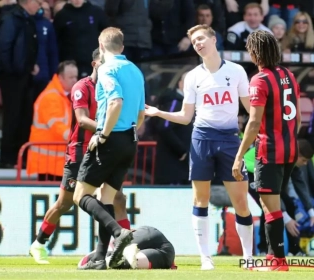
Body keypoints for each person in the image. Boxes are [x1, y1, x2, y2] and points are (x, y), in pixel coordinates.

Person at [144, 24, 253, 270]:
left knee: (241, 202)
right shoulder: (192, 76)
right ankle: (205, 258)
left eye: (201, 38)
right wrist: (159, 112)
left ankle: (248, 257)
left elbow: (250, 108)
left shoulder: (236, 72)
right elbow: (185, 116)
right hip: (201, 138)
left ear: (214, 39)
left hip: (229, 139)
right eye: (194, 42)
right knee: (200, 199)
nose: (198, 44)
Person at [29, 48, 131, 264]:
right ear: (96, 64)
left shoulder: (113, 88)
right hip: (80, 151)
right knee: (65, 203)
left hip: (104, 148)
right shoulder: (82, 87)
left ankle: (126, 249)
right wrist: (107, 131)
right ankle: (38, 243)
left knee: (117, 198)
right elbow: (82, 120)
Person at [73, 27, 145, 270]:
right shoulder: (135, 70)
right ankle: (99, 259)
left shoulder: (106, 68)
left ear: (101, 47)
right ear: (122, 47)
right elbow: (141, 113)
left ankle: (118, 232)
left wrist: (102, 134)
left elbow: (115, 102)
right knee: (105, 198)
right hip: (130, 140)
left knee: (80, 196)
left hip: (110, 139)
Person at [232, 30, 300, 271]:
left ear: (254, 52)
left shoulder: (259, 80)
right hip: (291, 149)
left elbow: (252, 122)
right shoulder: (289, 75)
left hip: (269, 150)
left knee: (270, 205)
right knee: (272, 202)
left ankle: (277, 261)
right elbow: (298, 118)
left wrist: (239, 156)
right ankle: (275, 257)